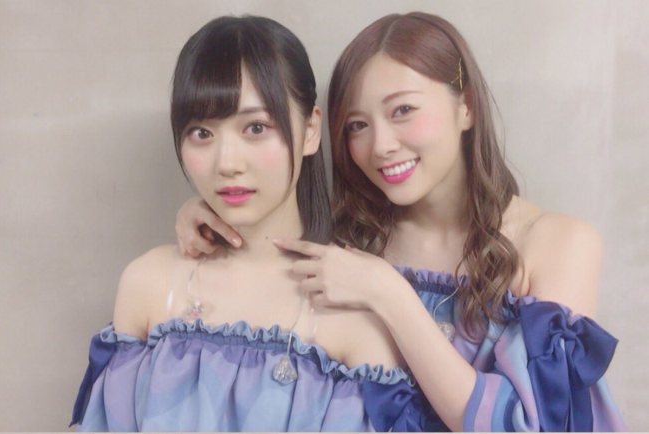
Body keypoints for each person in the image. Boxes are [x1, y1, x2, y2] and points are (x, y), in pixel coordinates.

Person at [176, 12, 628, 431]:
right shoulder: (349, 240)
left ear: (466, 105)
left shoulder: (557, 243)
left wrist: (389, 295)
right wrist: (211, 214)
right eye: (357, 125)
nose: (381, 145)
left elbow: (534, 424)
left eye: (403, 111)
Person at [70, 15, 437, 432]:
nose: (227, 163)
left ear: (310, 130)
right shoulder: (149, 285)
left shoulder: (358, 317)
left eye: (256, 127)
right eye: (202, 133)